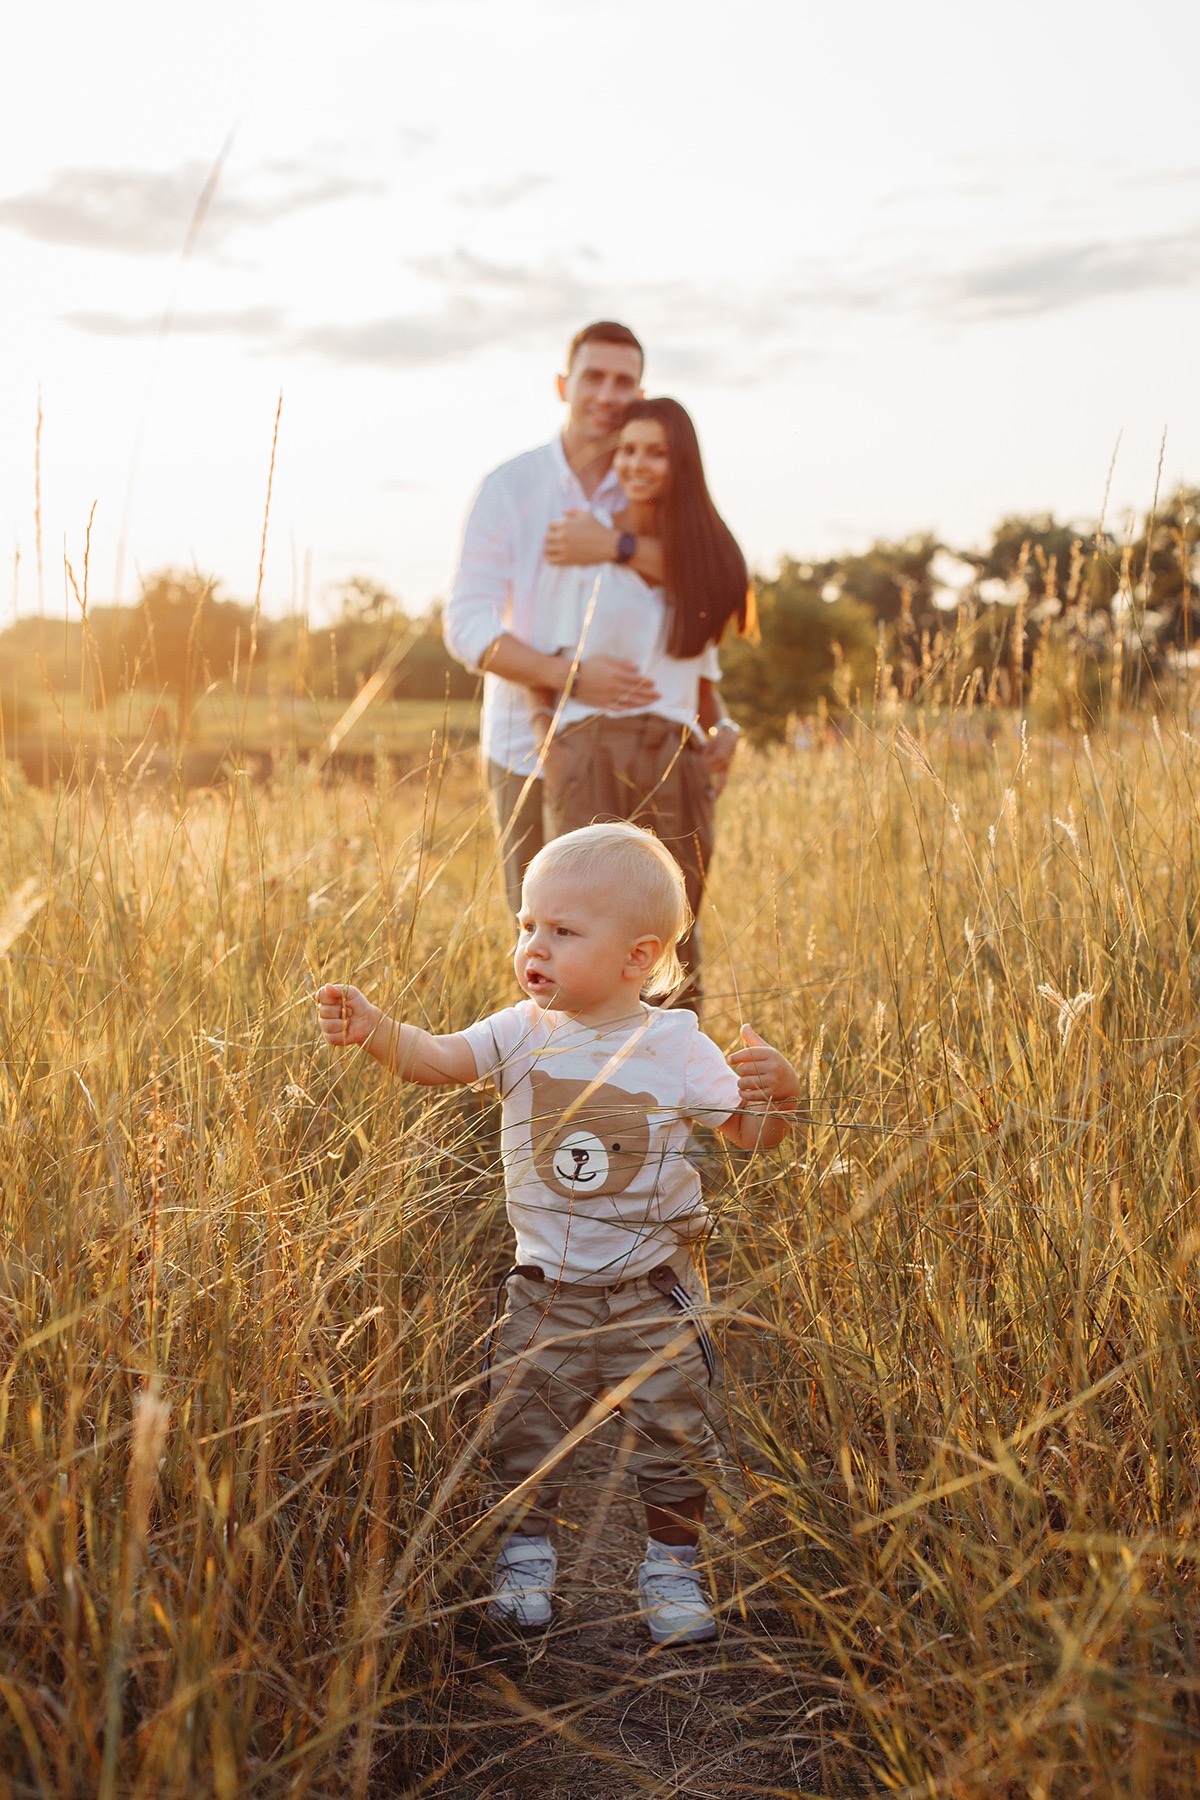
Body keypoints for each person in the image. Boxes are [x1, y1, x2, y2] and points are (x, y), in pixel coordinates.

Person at [316, 821, 799, 1645]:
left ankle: (671, 1571)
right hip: (544, 1289)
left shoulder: (674, 1044)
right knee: (524, 1425)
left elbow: (749, 1135)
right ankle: (526, 1559)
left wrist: (779, 1095)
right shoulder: (517, 1032)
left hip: (654, 1286)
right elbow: (433, 1060)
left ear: (637, 957)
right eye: (527, 926)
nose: (534, 945)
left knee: (672, 1433)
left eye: (563, 931)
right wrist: (374, 1031)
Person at [443, 322, 736, 917]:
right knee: (550, 939)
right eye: (593, 377)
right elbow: (468, 625)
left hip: (650, 749)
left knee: (650, 935)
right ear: (563, 385)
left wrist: (717, 717)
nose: (607, 393)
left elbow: (690, 607)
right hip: (532, 746)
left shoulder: (645, 481)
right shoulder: (511, 487)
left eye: (623, 381)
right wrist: (567, 676)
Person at [529, 397, 749, 1007]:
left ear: (682, 464)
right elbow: (539, 646)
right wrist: (548, 738)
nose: (638, 463)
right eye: (628, 449)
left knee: (671, 928)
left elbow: (697, 675)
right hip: (590, 746)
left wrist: (725, 726)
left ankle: (673, 1091)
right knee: (575, 926)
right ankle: (572, 1090)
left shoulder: (700, 558)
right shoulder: (579, 537)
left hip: (674, 754)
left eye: (656, 452)